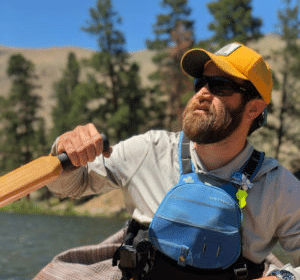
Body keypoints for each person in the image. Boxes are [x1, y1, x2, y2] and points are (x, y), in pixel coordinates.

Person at [34, 43, 300, 280]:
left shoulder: (278, 186)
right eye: (201, 83)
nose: (203, 93)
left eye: (220, 86)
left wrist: (282, 277)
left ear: (253, 108)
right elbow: (69, 187)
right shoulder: (149, 149)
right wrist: (66, 151)